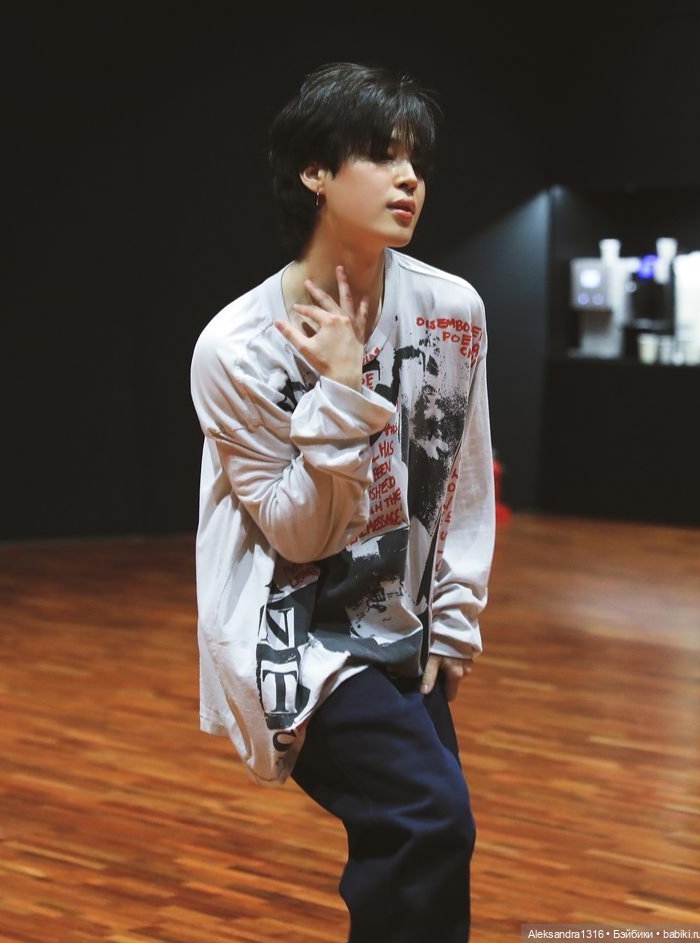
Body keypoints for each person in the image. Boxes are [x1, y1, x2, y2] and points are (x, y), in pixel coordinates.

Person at [190, 61, 496, 943]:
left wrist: (453, 622)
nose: (409, 178)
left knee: (433, 834)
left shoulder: (451, 309)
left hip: (401, 623)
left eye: (416, 160)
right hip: (294, 631)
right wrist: (341, 388)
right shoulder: (237, 347)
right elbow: (300, 531)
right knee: (429, 817)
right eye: (382, 156)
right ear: (315, 172)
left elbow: (462, 480)